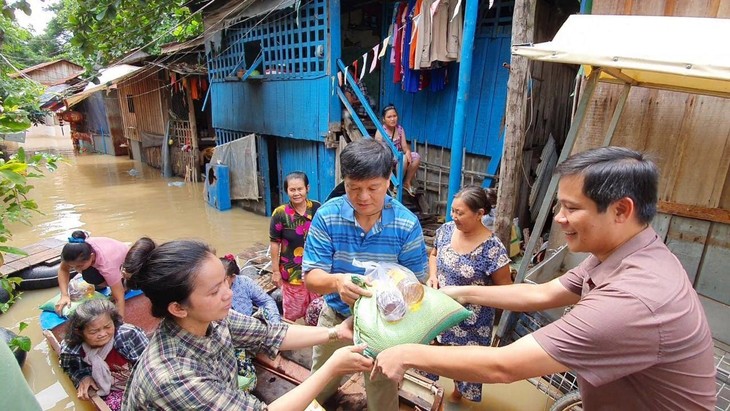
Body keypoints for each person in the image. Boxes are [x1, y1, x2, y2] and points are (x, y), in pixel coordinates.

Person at [371, 146, 717, 409]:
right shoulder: (623, 255)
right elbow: (542, 294)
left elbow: (504, 366)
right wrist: (460, 292)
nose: (560, 218)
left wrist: (404, 353)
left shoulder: (632, 300)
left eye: (572, 208)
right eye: (559, 206)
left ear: (621, 210)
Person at [121, 237, 373, 410]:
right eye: (213, 291)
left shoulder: (213, 319)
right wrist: (330, 368)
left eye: (225, 281)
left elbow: (270, 334)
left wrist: (336, 332)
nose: (228, 293)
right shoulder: (172, 377)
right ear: (177, 308)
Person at [303, 138, 428, 411]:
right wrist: (338, 281)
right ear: (344, 182)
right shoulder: (327, 217)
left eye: (373, 188)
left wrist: (391, 291)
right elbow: (311, 277)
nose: (363, 197)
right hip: (335, 320)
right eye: (353, 188)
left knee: (382, 394)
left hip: (384, 328)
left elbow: (417, 285)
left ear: (388, 181)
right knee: (320, 385)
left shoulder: (406, 224)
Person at [424, 185, 512, 402]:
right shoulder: (445, 231)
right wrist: (433, 276)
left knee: (463, 367)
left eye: (460, 213)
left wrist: (472, 296)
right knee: (428, 358)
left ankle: (457, 395)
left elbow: (506, 291)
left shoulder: (493, 249)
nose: (453, 217)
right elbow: (434, 255)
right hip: (438, 311)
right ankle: (427, 395)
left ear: (480, 214)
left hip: (472, 323)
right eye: (452, 211)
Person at [59, 299, 148, 411]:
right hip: (110, 390)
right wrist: (83, 377)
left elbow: (149, 367)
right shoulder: (72, 349)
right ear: (79, 332)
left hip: (139, 384)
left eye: (107, 327)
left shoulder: (129, 335)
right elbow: (71, 368)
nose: (103, 334)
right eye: (93, 331)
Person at [221, 254, 282, 391]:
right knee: (247, 381)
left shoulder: (244, 282)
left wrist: (275, 324)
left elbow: (266, 301)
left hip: (248, 328)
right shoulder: (213, 296)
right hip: (230, 341)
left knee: (268, 315)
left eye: (222, 280)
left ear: (232, 277)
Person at [270, 171, 322, 322]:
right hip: (291, 272)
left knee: (316, 310)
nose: (297, 193)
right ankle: (291, 339)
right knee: (292, 313)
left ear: (307, 188)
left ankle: (314, 340)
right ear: (286, 191)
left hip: (316, 269)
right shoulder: (280, 213)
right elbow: (274, 242)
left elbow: (326, 237)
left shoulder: (317, 208)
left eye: (300, 189)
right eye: (292, 190)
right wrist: (275, 271)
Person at [56, 231, 129, 317]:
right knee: (88, 275)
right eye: (73, 266)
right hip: (110, 258)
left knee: (93, 278)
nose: (77, 269)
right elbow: (63, 269)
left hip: (127, 266)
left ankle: (125, 285)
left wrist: (120, 324)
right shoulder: (77, 250)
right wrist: (64, 295)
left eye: (80, 266)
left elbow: (119, 298)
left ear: (92, 256)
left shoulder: (107, 265)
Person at [374, 104, 421, 196]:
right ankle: (397, 184)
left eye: (394, 116)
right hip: (386, 158)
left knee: (416, 157)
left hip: (398, 157)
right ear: (384, 119)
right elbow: (377, 149)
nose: (392, 119)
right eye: (389, 117)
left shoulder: (399, 129)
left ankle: (406, 182)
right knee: (402, 158)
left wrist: (407, 152)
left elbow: (404, 146)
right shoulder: (381, 131)